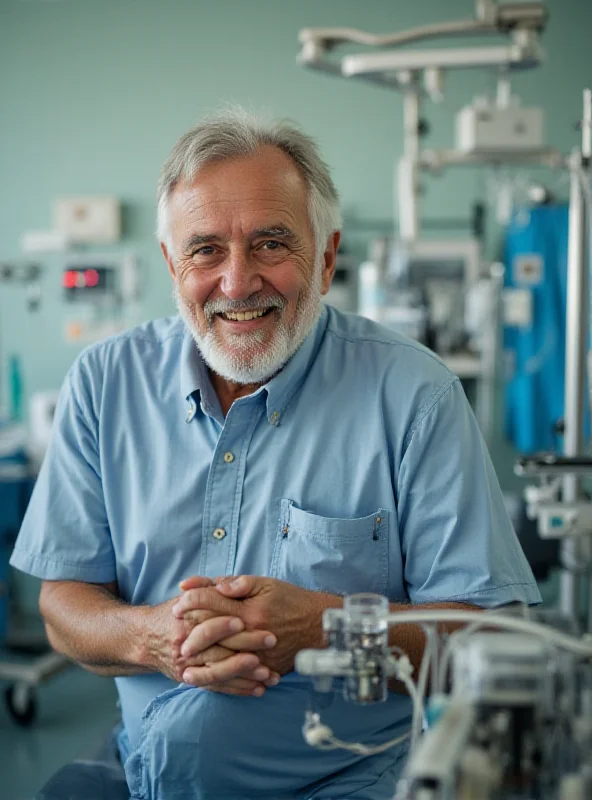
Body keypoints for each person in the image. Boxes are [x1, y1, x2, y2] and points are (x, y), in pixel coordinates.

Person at [11, 108, 540, 800]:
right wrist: (151, 636)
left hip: (347, 777)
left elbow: (492, 635)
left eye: (270, 244)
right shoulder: (106, 382)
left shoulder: (416, 395)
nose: (237, 282)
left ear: (325, 257)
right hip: (139, 766)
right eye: (206, 250)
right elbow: (62, 603)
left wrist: (328, 629)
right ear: (172, 265)